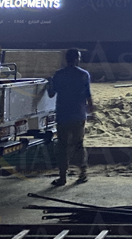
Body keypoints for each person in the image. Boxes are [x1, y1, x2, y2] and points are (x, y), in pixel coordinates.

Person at [47, 48, 93, 186]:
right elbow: (88, 95)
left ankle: (62, 177)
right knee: (79, 144)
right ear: (77, 59)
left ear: (66, 59)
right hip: (78, 114)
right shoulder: (84, 74)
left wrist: (49, 83)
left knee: (62, 146)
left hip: (63, 115)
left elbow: (51, 94)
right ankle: (83, 173)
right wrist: (91, 110)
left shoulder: (59, 74)